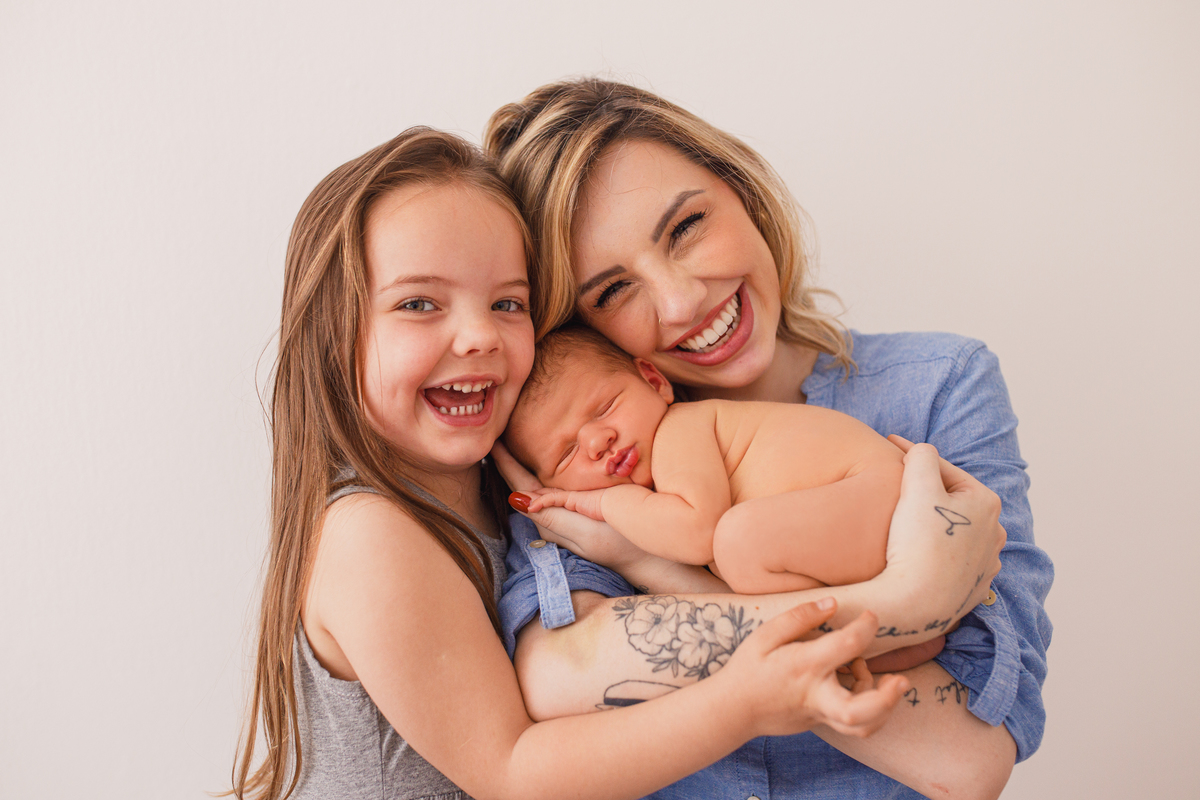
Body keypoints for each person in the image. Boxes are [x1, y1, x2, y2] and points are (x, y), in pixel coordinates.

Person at [230, 127, 941, 800]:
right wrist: (744, 703)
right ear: (331, 339)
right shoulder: (370, 536)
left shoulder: (499, 487)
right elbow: (511, 772)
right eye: (419, 303)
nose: (479, 335)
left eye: (508, 302)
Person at [484, 78, 1053, 799]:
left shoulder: (940, 385)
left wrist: (655, 570)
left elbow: (967, 762)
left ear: (741, 189)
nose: (682, 299)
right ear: (579, 327)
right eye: (613, 290)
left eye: (685, 227)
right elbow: (557, 677)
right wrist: (910, 596)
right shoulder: (583, 456)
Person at [505, 324, 905, 594]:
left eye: (605, 407)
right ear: (549, 486)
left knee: (737, 542)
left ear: (655, 381)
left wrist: (602, 502)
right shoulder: (662, 498)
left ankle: (875, 626)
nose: (597, 441)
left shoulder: (679, 430)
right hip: (863, 514)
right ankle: (880, 639)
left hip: (873, 493)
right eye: (567, 453)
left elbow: (696, 535)